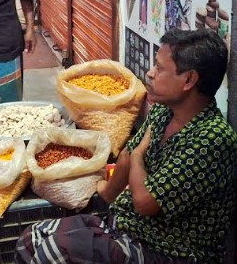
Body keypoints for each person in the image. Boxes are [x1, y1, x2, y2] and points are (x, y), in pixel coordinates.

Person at [15, 29, 237, 264]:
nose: (150, 74)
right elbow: (126, 154)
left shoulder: (211, 140)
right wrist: (107, 193)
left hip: (171, 250)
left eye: (160, 69)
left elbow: (144, 201)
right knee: (32, 239)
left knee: (54, 252)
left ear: (189, 80)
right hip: (130, 226)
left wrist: (140, 154)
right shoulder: (164, 111)